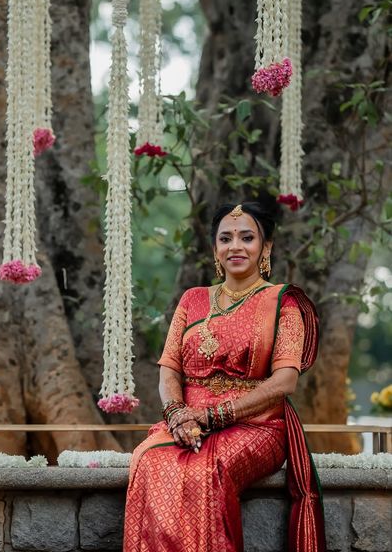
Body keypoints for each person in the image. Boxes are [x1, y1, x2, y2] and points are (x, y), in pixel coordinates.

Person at [123, 202, 326, 552]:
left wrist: (213, 415)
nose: (235, 246)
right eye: (226, 238)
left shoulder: (282, 303)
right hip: (188, 421)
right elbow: (169, 369)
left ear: (266, 248)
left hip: (257, 423)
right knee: (148, 458)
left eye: (247, 238)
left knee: (208, 468)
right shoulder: (193, 299)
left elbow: (285, 382)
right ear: (215, 248)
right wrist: (176, 414)